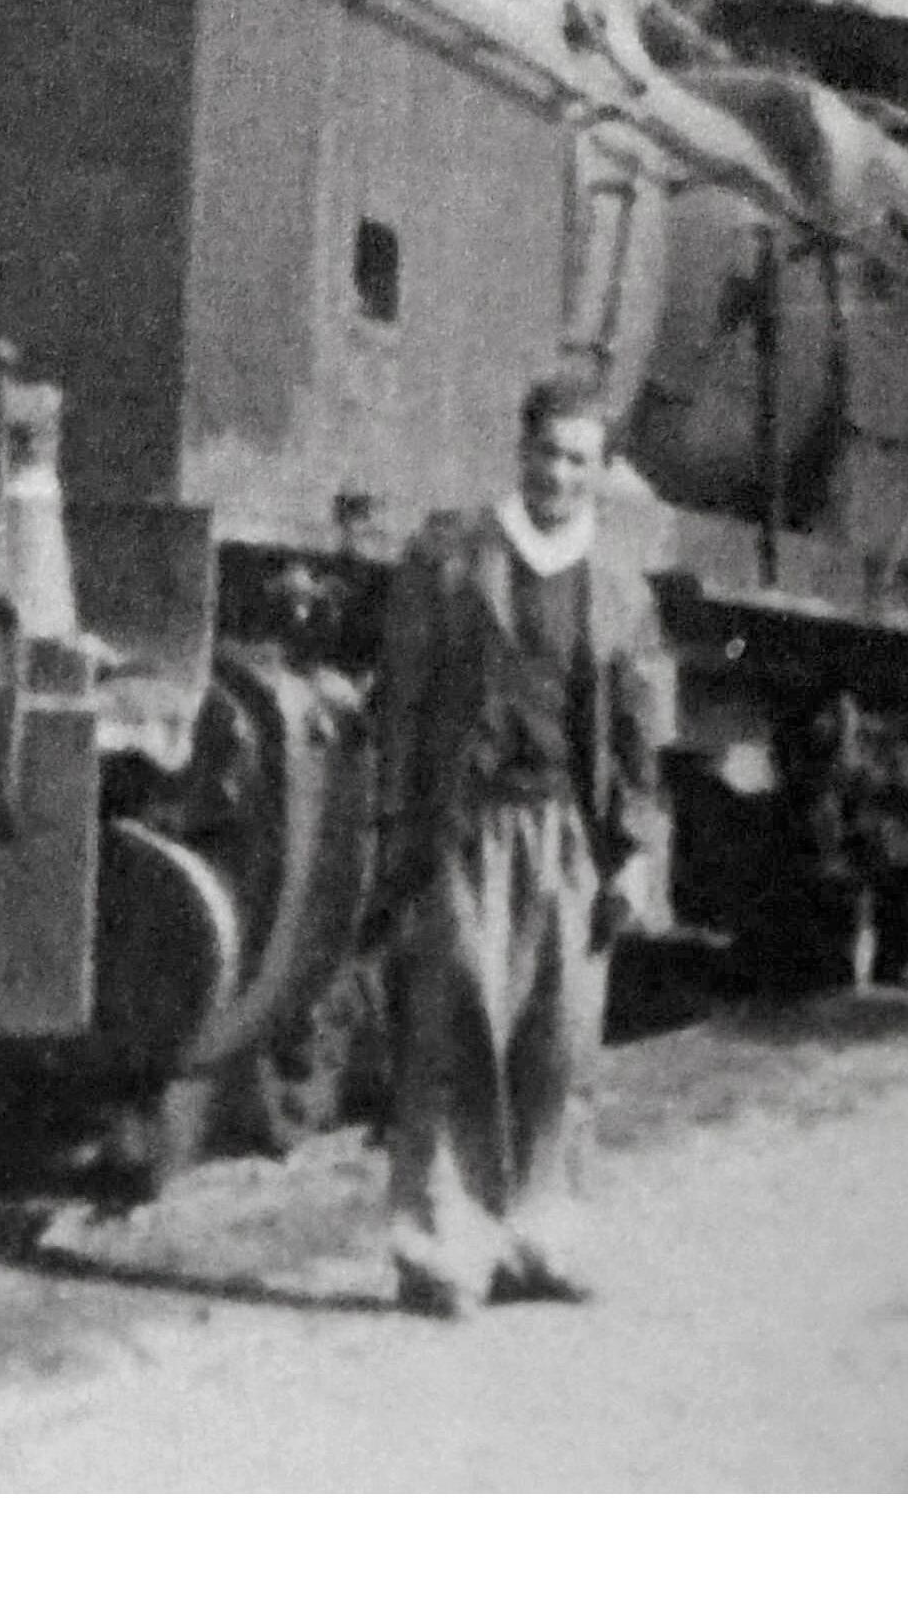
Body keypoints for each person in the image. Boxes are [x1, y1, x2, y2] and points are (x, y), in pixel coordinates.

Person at [367, 368, 669, 1319]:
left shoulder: (618, 588)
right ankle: (444, 1251)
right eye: (547, 452)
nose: (560, 475)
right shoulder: (452, 560)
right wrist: (395, 830)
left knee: (563, 1046)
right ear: (522, 451)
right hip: (470, 832)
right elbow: (404, 706)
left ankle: (546, 1236)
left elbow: (638, 735)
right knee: (455, 1036)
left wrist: (639, 848)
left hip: (570, 837)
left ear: (600, 469)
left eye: (580, 459)